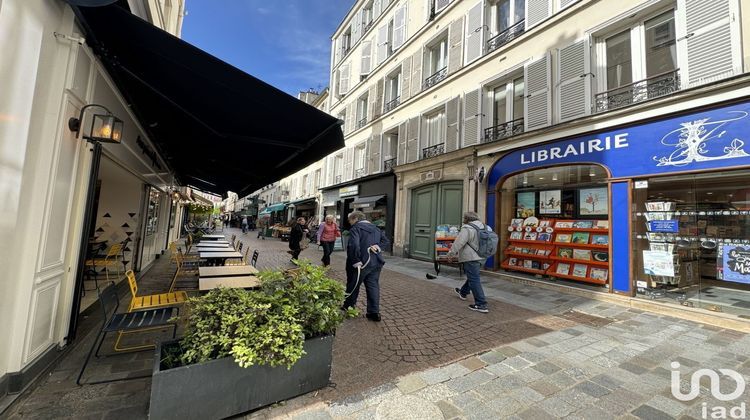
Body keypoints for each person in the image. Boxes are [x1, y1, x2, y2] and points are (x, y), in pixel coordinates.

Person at [342, 211, 390, 322]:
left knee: (353, 284)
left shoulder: (356, 228)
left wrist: (355, 260)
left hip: (361, 263)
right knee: (373, 286)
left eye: (350, 220)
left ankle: (348, 307)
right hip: (376, 262)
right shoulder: (376, 228)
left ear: (355, 218)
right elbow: (385, 241)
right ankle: (374, 312)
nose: (350, 223)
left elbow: (354, 245)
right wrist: (377, 246)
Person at [448, 211, 491, 313]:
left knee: (474, 279)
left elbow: (459, 243)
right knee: (473, 276)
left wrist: (450, 254)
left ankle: (481, 304)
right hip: (483, 257)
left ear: (466, 219)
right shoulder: (486, 227)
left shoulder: (467, 228)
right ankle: (463, 292)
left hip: (471, 257)